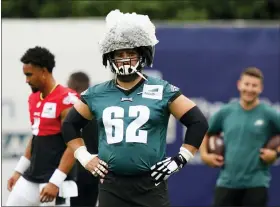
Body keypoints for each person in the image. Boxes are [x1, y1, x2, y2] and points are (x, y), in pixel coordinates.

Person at [62, 10, 209, 207]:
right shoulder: (97, 93)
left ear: (142, 54)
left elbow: (198, 122)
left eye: (130, 53)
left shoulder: (160, 89)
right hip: (112, 184)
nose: (124, 59)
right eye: (119, 54)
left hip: (151, 183)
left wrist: (181, 159)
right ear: (110, 57)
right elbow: (69, 125)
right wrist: (84, 156)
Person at [6, 46, 79, 206]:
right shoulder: (33, 98)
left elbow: (74, 146)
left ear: (44, 71)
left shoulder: (67, 99)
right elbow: (36, 136)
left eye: (29, 75)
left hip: (56, 180)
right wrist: (18, 171)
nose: (26, 80)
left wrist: (55, 181)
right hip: (32, 176)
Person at [200, 67, 280, 206]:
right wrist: (205, 156)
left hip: (256, 183)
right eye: (246, 84)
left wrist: (276, 153)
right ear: (239, 85)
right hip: (227, 182)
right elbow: (205, 133)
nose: (249, 89)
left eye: (254, 85)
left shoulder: (269, 114)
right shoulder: (226, 112)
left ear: (260, 88)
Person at [67, 72, 99, 207]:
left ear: (74, 85)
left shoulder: (69, 112)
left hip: (73, 172)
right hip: (94, 171)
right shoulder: (98, 111)